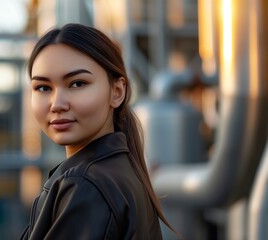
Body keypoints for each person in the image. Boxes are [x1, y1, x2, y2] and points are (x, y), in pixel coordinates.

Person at [20, 23, 175, 240]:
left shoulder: (85, 185)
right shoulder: (120, 172)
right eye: (43, 88)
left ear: (117, 92)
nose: (57, 104)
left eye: (77, 83)